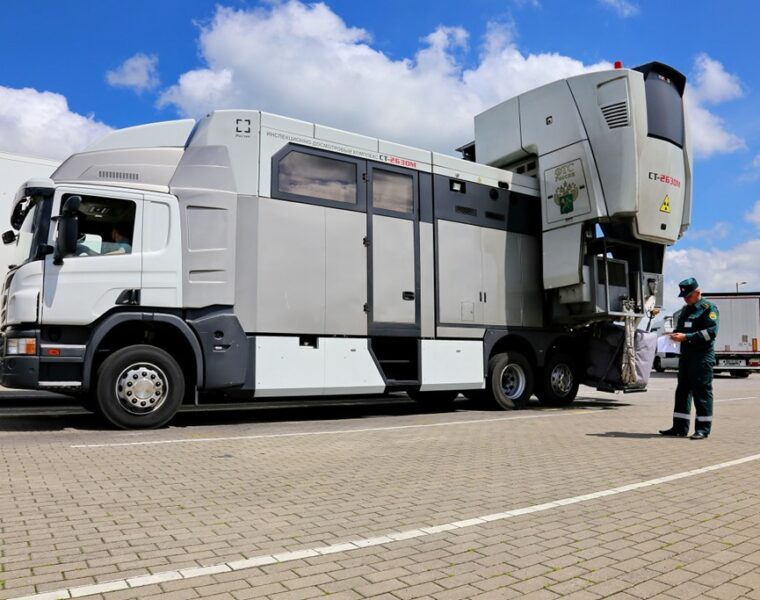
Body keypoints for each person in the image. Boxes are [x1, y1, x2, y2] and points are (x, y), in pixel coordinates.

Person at [659, 278, 720, 440]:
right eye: (684, 297)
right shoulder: (686, 310)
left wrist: (687, 336)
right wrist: (673, 335)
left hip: (702, 357)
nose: (686, 299)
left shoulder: (709, 308)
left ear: (698, 293)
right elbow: (681, 328)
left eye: (688, 296)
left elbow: (711, 332)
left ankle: (703, 429)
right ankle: (679, 427)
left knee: (702, 393)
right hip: (686, 356)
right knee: (682, 392)